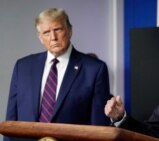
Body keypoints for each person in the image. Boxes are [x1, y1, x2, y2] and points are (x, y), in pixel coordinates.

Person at [5, 8, 110, 140]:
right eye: (46, 32)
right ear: (40, 38)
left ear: (69, 31)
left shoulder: (94, 69)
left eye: (58, 30)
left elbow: (98, 127)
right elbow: (11, 122)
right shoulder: (23, 67)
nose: (53, 37)